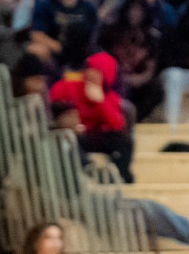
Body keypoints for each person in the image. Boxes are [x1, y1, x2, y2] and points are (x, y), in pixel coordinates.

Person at [50, 50, 134, 182]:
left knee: (123, 141)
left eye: (97, 71)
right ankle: (85, 172)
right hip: (72, 134)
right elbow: (54, 109)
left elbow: (117, 125)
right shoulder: (65, 87)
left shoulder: (110, 98)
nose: (91, 74)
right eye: (90, 69)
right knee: (71, 140)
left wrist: (100, 102)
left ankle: (122, 175)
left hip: (93, 136)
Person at [100, 0, 167, 121]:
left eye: (138, 10)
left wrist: (137, 79)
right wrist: (120, 78)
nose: (134, 14)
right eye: (132, 9)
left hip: (140, 81)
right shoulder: (111, 33)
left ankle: (137, 121)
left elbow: (151, 69)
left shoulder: (152, 37)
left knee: (156, 88)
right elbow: (104, 59)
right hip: (114, 79)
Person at [25, 0, 99, 65]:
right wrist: (62, 48)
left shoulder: (89, 7)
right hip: (55, 49)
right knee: (36, 50)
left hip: (83, 51)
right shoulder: (44, 5)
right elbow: (37, 35)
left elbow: (95, 33)